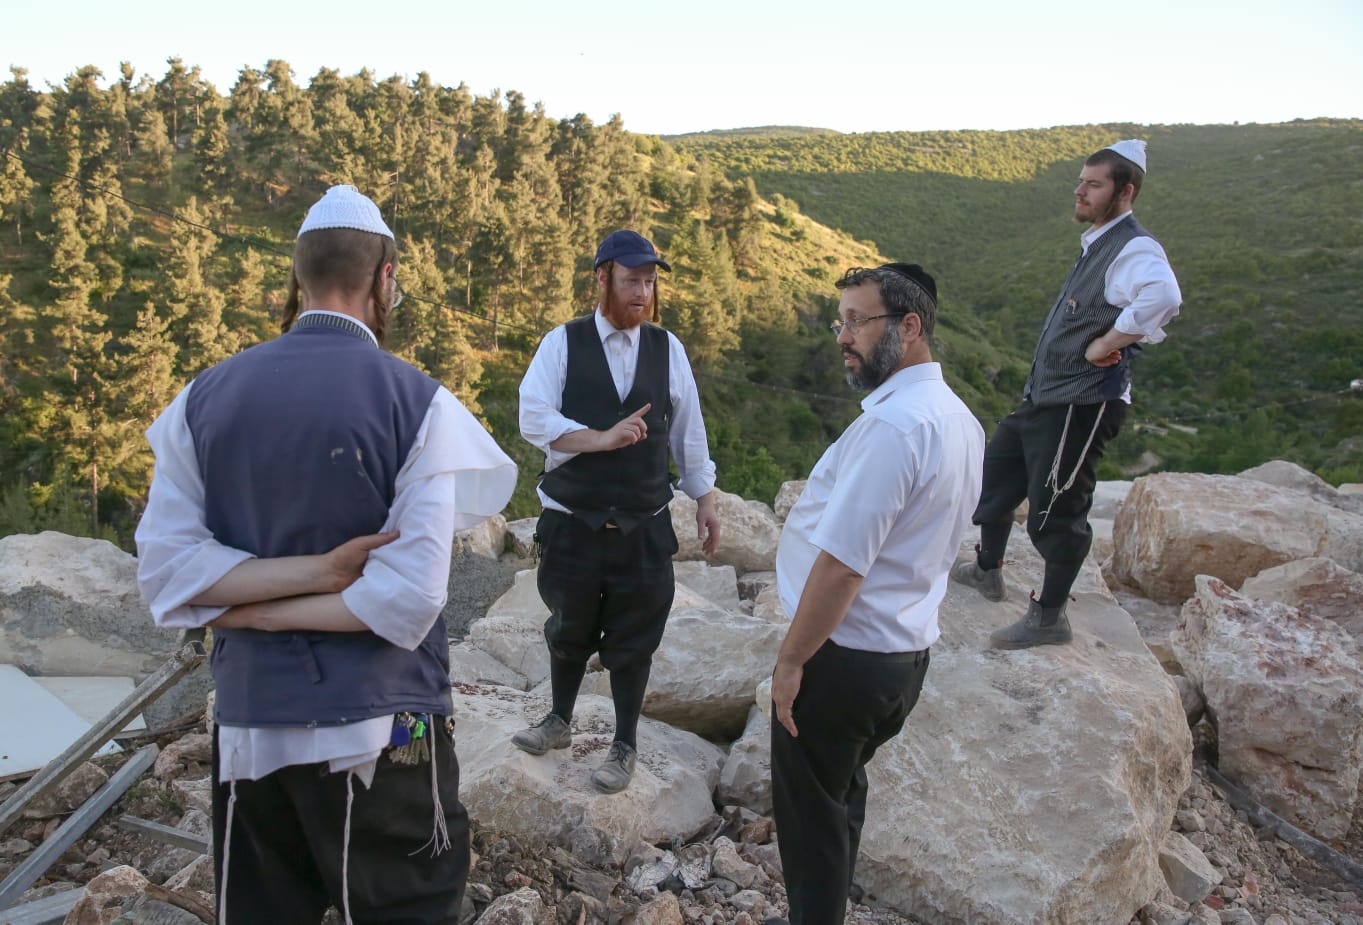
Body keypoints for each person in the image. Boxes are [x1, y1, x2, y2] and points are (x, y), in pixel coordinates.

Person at [135, 184, 517, 924]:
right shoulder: (418, 403)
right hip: (385, 726)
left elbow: (166, 570)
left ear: (297, 279)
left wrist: (250, 608)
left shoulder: (200, 399)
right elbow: (408, 598)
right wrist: (314, 583)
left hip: (250, 725)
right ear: (386, 278)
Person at [771, 264, 984, 925]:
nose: (843, 336)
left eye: (857, 321)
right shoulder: (959, 419)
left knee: (808, 819)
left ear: (909, 327)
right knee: (838, 795)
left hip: (844, 657)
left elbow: (840, 567)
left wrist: (790, 660)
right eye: (841, 322)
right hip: (902, 654)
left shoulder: (895, 428)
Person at [952, 139, 1182, 648]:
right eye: (1080, 180)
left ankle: (1049, 618)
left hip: (1082, 404)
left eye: (1093, 184)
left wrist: (1110, 340)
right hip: (1046, 396)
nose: (1079, 190)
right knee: (995, 478)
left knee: (1056, 508)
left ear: (1125, 192)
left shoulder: (1134, 246)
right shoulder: (1099, 241)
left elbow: (1164, 296)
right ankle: (987, 571)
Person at [513, 229, 721, 793]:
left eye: (649, 281)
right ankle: (558, 720)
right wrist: (597, 438)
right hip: (572, 519)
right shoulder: (563, 342)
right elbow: (532, 417)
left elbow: (688, 430)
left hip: (644, 524)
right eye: (632, 279)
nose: (642, 292)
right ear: (602, 278)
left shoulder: (667, 348)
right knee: (568, 626)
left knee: (634, 639)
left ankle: (623, 744)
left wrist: (704, 498)